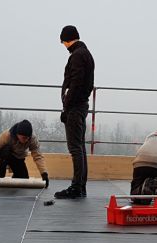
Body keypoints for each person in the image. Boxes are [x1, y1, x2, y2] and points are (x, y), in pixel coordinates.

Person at [55, 25, 95, 199]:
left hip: (75, 107)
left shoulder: (78, 55)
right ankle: (80, 186)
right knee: (80, 147)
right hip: (80, 106)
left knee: (75, 148)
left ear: (67, 39)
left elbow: (76, 82)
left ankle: (76, 187)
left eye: (63, 42)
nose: (64, 46)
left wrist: (67, 106)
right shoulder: (85, 54)